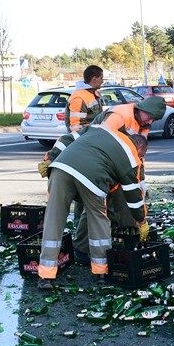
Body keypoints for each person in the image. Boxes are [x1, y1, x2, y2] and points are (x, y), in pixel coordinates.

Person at [41, 95, 167, 263]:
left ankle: (85, 251)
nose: (151, 122)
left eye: (155, 120)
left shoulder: (142, 124)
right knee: (96, 209)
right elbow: (95, 139)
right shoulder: (118, 117)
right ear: (141, 109)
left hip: (92, 168)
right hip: (96, 170)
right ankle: (84, 250)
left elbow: (138, 159)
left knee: (101, 206)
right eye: (150, 117)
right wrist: (50, 158)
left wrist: (142, 185)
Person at [36, 125, 149, 291]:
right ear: (138, 148)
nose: (141, 159)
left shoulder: (100, 129)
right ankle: (101, 272)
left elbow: (66, 139)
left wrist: (50, 158)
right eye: (142, 156)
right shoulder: (131, 156)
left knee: (53, 219)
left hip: (60, 168)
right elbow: (133, 196)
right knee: (98, 219)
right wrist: (141, 220)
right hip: (93, 177)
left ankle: (45, 275)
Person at [64, 65, 105, 133]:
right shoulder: (79, 98)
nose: (102, 81)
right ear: (94, 79)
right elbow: (76, 128)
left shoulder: (93, 93)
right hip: (86, 139)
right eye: (101, 78)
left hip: (92, 136)